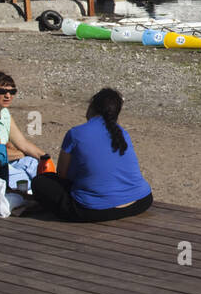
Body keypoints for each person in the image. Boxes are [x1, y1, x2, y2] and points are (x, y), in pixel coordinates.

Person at [30, 88, 152, 222]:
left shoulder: (75, 134)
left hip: (95, 210)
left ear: (92, 106)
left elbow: (62, 175)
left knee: (40, 182)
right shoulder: (122, 133)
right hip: (141, 201)